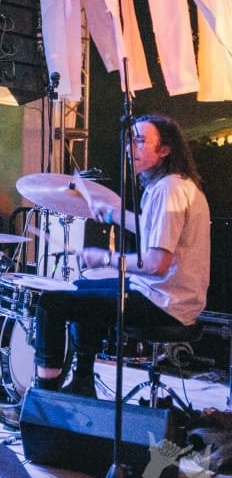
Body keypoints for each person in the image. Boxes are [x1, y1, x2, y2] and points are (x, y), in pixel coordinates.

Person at [34, 114, 211, 397]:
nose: (131, 148)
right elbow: (150, 228)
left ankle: (46, 394)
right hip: (168, 295)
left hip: (164, 303)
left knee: (50, 303)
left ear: (165, 149)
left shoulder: (170, 191)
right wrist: (113, 213)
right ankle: (82, 381)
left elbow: (157, 264)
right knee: (80, 287)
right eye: (130, 141)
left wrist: (103, 258)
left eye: (140, 141)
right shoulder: (172, 185)